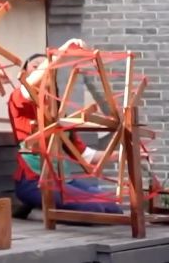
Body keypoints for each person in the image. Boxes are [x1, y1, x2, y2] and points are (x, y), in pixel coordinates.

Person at [9, 38, 123, 218]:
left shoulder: (58, 111)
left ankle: (41, 209)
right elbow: (29, 86)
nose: (45, 70)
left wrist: (123, 155)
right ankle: (38, 212)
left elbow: (85, 155)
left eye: (49, 67)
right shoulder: (18, 100)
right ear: (24, 73)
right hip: (34, 180)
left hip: (63, 179)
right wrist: (62, 50)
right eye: (36, 66)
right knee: (95, 210)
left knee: (113, 206)